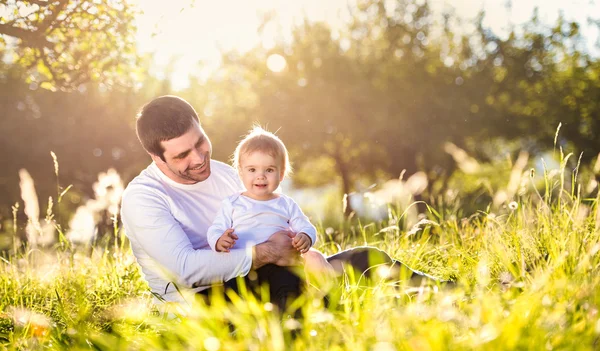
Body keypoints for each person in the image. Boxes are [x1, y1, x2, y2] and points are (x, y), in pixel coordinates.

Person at [120, 95, 442, 309]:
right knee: (289, 282)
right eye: (181, 155)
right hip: (200, 303)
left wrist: (299, 248)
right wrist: (266, 253)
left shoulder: (228, 173)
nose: (199, 158)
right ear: (155, 156)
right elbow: (185, 271)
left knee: (364, 258)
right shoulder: (144, 197)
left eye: (200, 142)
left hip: (260, 274)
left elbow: (272, 220)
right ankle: (322, 332)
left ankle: (447, 292)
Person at [206, 127, 337, 285]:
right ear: (241, 173)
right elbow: (215, 229)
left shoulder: (285, 204)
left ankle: (329, 296)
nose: (260, 176)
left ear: (281, 174)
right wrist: (220, 240)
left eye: (269, 170)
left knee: (313, 262)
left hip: (283, 267)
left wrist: (305, 236)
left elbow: (306, 226)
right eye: (252, 169)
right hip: (247, 269)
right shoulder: (232, 203)